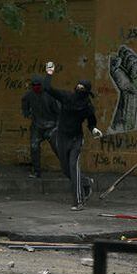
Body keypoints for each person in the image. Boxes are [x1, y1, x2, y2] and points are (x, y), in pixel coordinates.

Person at [44, 62, 103, 211]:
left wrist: (94, 130)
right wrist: (49, 73)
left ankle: (79, 201)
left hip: (76, 139)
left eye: (82, 89)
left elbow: (91, 123)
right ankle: (86, 182)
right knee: (66, 170)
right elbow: (48, 88)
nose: (79, 90)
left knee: (73, 167)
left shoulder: (87, 107)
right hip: (62, 138)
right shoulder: (67, 97)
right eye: (78, 87)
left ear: (86, 92)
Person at [22, 75, 60, 178]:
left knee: (57, 147)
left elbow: (59, 112)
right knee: (34, 147)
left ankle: (68, 169)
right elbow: (24, 102)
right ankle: (37, 171)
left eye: (38, 85)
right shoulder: (30, 95)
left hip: (51, 127)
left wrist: (57, 125)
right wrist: (26, 112)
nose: (36, 87)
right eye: (34, 85)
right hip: (37, 126)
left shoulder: (50, 96)